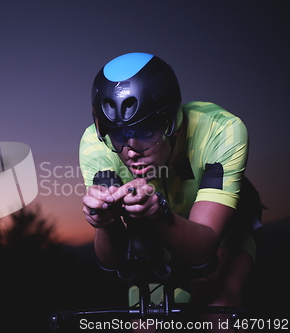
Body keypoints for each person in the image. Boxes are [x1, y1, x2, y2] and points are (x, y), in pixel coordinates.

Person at [80, 52, 262, 329]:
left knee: (213, 311)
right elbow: (113, 264)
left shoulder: (222, 130)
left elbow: (203, 253)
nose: (131, 151)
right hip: (151, 233)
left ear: (173, 122)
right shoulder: (96, 143)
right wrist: (103, 223)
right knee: (146, 324)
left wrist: (158, 212)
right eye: (118, 135)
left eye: (145, 131)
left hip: (221, 230)